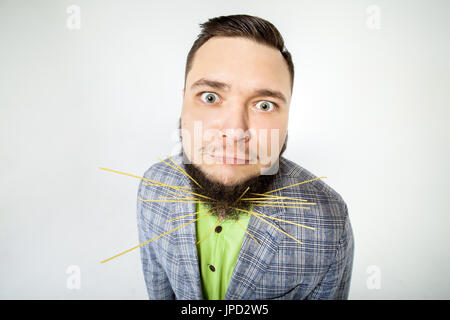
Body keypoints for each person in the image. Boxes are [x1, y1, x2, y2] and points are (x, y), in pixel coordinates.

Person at [136, 14, 354, 300]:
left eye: (264, 104)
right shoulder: (153, 189)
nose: (235, 130)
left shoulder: (328, 221)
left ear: (288, 116)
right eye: (210, 97)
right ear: (183, 102)